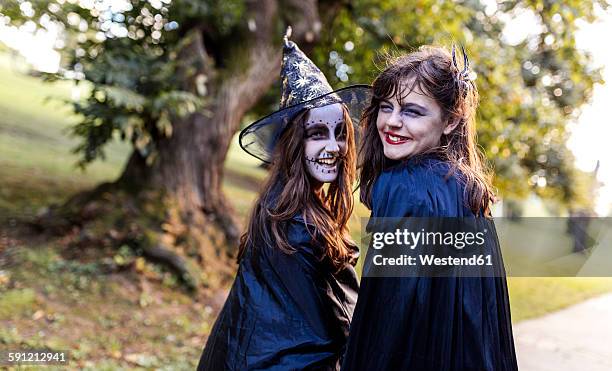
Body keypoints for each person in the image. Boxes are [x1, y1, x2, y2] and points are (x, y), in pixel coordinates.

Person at [197, 28, 371, 370]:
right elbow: (340, 330)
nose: (333, 147)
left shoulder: (281, 206)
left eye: (339, 134)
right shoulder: (299, 227)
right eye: (317, 133)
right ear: (294, 145)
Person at [342, 46, 518, 371]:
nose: (391, 122)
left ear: (450, 121)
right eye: (386, 107)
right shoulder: (468, 189)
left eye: (412, 111)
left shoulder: (403, 187)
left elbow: (387, 314)